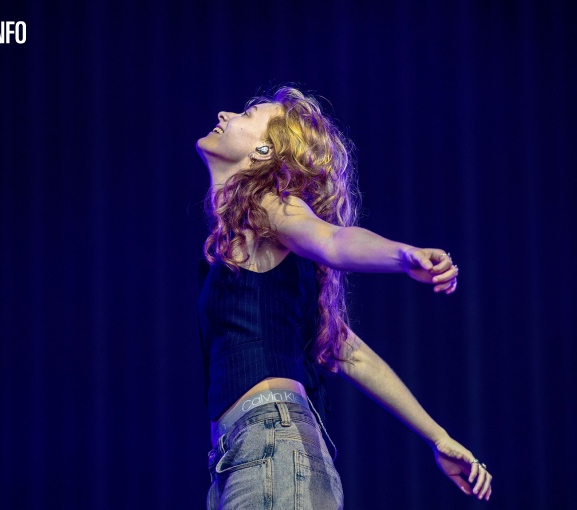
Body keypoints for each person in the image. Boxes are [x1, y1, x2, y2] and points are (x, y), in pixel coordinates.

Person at [195, 86, 492, 509]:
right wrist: (439, 438)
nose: (225, 113)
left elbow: (332, 241)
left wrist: (403, 256)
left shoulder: (270, 205)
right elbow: (351, 354)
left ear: (263, 150)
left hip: (272, 444)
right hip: (250, 451)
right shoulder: (241, 244)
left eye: (247, 113)